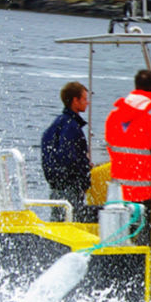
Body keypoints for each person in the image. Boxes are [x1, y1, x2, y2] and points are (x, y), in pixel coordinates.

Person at [104, 69, 151, 244]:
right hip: (145, 190)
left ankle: (121, 268)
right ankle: (146, 268)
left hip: (120, 189)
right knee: (146, 237)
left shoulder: (116, 113)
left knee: (122, 234)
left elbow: (111, 146)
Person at [41, 81, 93, 222]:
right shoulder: (72, 127)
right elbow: (69, 158)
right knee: (71, 222)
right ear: (75, 101)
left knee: (58, 224)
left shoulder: (57, 124)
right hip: (69, 190)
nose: (87, 103)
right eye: (84, 99)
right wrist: (84, 172)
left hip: (56, 188)